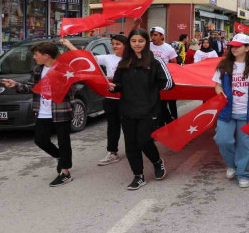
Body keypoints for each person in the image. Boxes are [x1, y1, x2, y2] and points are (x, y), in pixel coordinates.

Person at [2, 42, 75, 187]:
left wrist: (54, 85)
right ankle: (62, 158)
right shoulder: (37, 69)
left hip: (60, 110)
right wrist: (15, 85)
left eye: (36, 54)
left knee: (63, 141)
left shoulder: (64, 69)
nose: (34, 57)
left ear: (46, 56)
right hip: (42, 111)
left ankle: (65, 173)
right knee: (40, 140)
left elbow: (71, 90)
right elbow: (32, 87)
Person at [110, 29, 173, 190]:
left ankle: (157, 162)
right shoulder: (124, 63)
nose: (137, 44)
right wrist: (113, 87)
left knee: (144, 140)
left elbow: (168, 83)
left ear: (146, 43)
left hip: (149, 110)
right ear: (129, 43)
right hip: (127, 109)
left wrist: (151, 91)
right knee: (131, 144)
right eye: (134, 41)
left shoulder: (155, 61)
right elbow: (118, 84)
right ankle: (138, 176)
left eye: (140, 41)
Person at [213, 33, 249, 188]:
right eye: (232, 45)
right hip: (227, 110)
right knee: (222, 140)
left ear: (247, 48)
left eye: (238, 46)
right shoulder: (223, 65)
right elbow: (217, 84)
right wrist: (220, 92)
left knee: (246, 144)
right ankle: (233, 165)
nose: (234, 48)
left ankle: (243, 173)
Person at [61, 35, 128, 166]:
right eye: (113, 43)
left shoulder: (133, 60)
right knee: (112, 127)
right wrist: (68, 45)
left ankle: (134, 150)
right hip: (111, 98)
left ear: (125, 45)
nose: (114, 46)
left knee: (130, 127)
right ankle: (112, 152)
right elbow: (85, 59)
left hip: (128, 99)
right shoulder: (108, 58)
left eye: (118, 44)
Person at [149, 27, 179, 126]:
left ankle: (171, 121)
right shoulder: (147, 46)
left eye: (155, 35)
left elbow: (174, 64)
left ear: (162, 36)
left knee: (165, 102)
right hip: (150, 79)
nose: (153, 37)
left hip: (163, 80)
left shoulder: (169, 48)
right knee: (157, 104)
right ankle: (161, 124)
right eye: (151, 35)